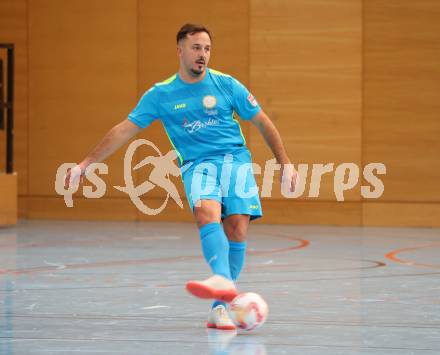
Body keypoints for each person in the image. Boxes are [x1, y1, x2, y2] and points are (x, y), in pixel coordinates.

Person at [65, 23, 298, 331]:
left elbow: (263, 122)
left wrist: (285, 163)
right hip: (197, 165)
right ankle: (222, 280)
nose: (203, 55)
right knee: (206, 213)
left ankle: (219, 308)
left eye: (207, 49)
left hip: (235, 162)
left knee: (238, 227)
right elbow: (124, 129)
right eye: (196, 48)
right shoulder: (161, 94)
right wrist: (85, 163)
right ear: (180, 51)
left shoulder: (227, 85)